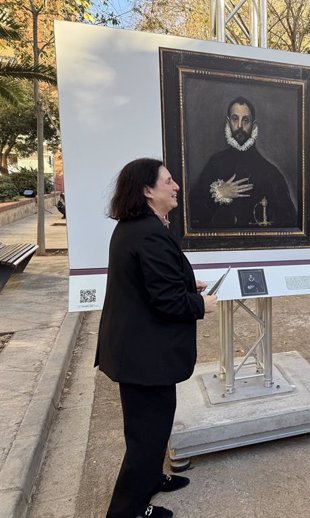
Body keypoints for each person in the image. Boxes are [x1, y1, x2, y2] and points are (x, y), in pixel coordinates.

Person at [96, 158, 218, 518]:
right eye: (168, 181)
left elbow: (149, 282)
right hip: (143, 356)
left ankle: (151, 480)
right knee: (146, 436)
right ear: (148, 191)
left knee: (154, 425)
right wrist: (199, 304)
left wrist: (184, 283)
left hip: (141, 352)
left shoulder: (138, 226)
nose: (176, 186)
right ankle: (128, 510)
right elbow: (164, 301)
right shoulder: (147, 232)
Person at [189, 97, 297, 230]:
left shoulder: (270, 172)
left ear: (254, 125)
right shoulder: (215, 163)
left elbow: (290, 221)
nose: (240, 126)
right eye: (235, 119)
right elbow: (192, 212)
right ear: (228, 123)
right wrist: (218, 193)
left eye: (246, 120)